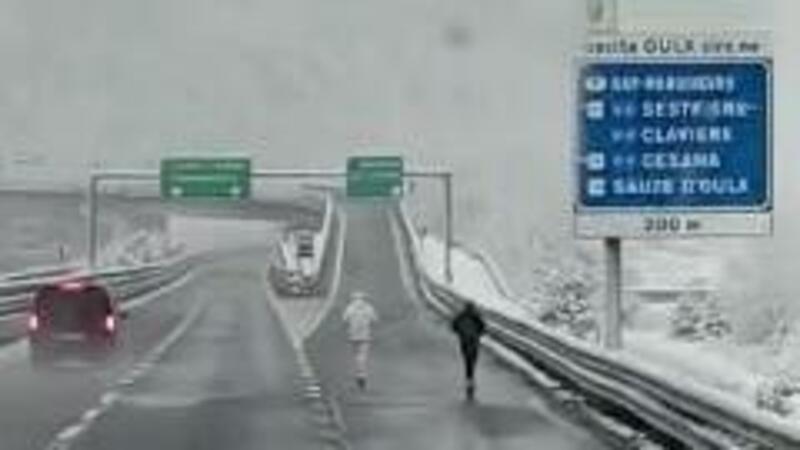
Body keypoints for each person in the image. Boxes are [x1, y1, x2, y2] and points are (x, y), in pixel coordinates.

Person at [342, 291, 379, 390]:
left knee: (355, 355)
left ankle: (359, 372)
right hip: (365, 334)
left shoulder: (350, 308)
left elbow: (344, 319)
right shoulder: (368, 308)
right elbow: (375, 319)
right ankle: (361, 374)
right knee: (362, 355)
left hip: (353, 335)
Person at [451, 302, 486, 401]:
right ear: (473, 308)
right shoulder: (476, 316)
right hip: (474, 340)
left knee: (466, 358)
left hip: (464, 340)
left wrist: (460, 332)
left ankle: (469, 376)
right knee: (473, 358)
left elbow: (453, 326)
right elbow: (482, 327)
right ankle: (470, 376)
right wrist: (479, 334)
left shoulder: (460, 316)